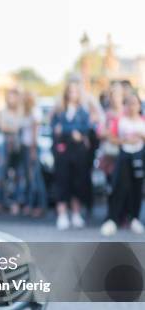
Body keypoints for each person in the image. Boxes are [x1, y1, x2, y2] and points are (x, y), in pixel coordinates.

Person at [100, 92, 145, 236]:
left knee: (137, 188)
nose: (132, 107)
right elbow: (111, 138)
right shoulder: (120, 120)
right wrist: (125, 141)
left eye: (135, 103)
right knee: (119, 186)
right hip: (124, 156)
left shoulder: (143, 120)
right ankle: (113, 219)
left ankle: (135, 218)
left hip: (140, 156)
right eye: (129, 103)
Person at [50, 81, 91, 230]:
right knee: (62, 181)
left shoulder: (83, 111)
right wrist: (72, 131)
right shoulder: (59, 110)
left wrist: (67, 130)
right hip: (62, 150)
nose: (72, 94)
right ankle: (62, 215)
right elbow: (54, 128)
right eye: (70, 91)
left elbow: (87, 127)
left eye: (75, 91)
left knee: (77, 181)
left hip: (78, 151)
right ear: (66, 93)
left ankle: (75, 213)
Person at [17, 91, 46, 217]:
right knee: (29, 178)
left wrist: (33, 150)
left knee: (36, 178)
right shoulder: (25, 112)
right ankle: (31, 204)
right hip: (26, 147)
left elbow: (35, 132)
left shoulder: (35, 111)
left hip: (31, 148)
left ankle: (40, 205)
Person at [0, 89, 23, 215]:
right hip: (5, 145)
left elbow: (19, 126)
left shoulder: (20, 111)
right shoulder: (3, 111)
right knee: (1, 174)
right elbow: (2, 126)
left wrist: (10, 127)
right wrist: (13, 128)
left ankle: (16, 203)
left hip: (17, 146)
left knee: (18, 175)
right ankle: (1, 202)